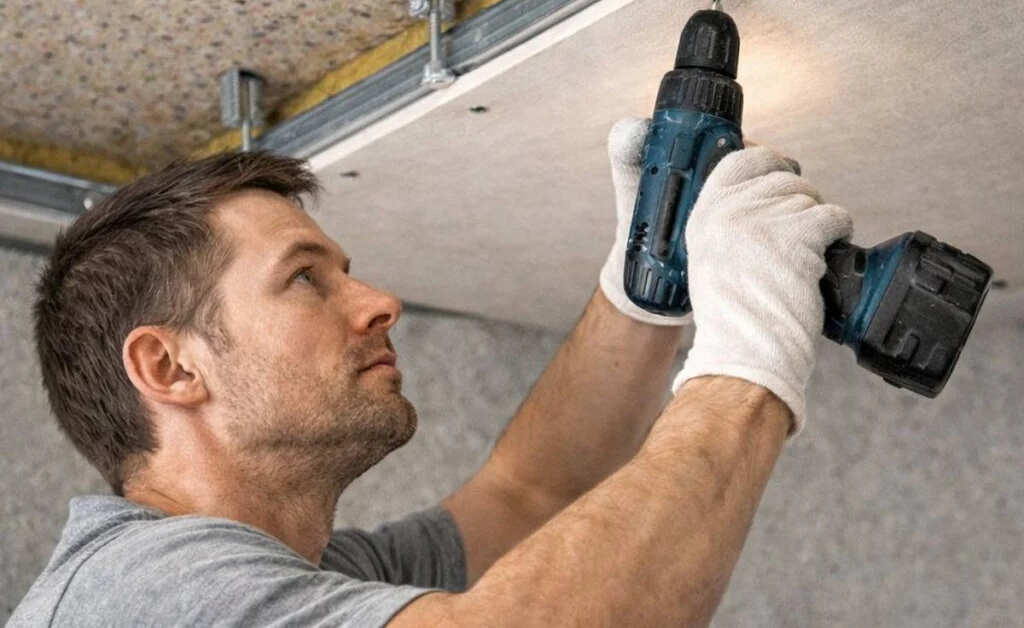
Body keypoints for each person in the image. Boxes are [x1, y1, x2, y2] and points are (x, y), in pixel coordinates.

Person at [10, 116, 851, 627]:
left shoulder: (308, 584)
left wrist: (641, 294)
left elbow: (535, 494)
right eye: (306, 277)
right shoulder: (144, 597)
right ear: (170, 366)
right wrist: (749, 362)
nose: (379, 301)